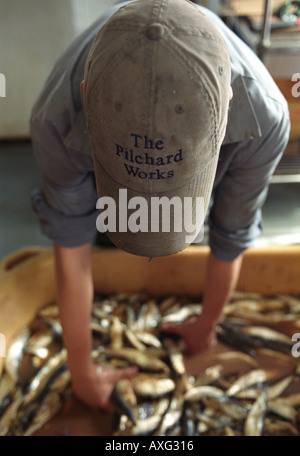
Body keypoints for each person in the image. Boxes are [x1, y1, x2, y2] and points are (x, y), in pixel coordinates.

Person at [30, 0, 290, 410]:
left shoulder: (265, 119)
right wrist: (81, 370)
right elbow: (71, 238)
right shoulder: (55, 118)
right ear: (85, 94)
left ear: (228, 100)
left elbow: (232, 232)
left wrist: (208, 324)